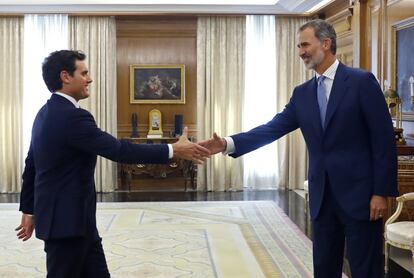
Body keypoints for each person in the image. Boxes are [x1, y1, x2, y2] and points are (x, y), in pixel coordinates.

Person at [199, 19, 398, 278]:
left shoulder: (361, 82)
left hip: (361, 196)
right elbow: (272, 128)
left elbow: (382, 141)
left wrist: (380, 193)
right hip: (322, 196)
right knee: (324, 268)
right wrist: (227, 143)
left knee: (365, 269)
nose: (300, 52)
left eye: (305, 45)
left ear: (326, 44)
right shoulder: (302, 93)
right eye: (298, 46)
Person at [15, 50, 210, 278]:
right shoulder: (73, 117)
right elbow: (119, 150)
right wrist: (173, 149)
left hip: (77, 222)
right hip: (67, 224)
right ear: (65, 76)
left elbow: (31, 166)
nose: (89, 79)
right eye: (84, 73)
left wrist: (29, 210)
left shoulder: (44, 113)